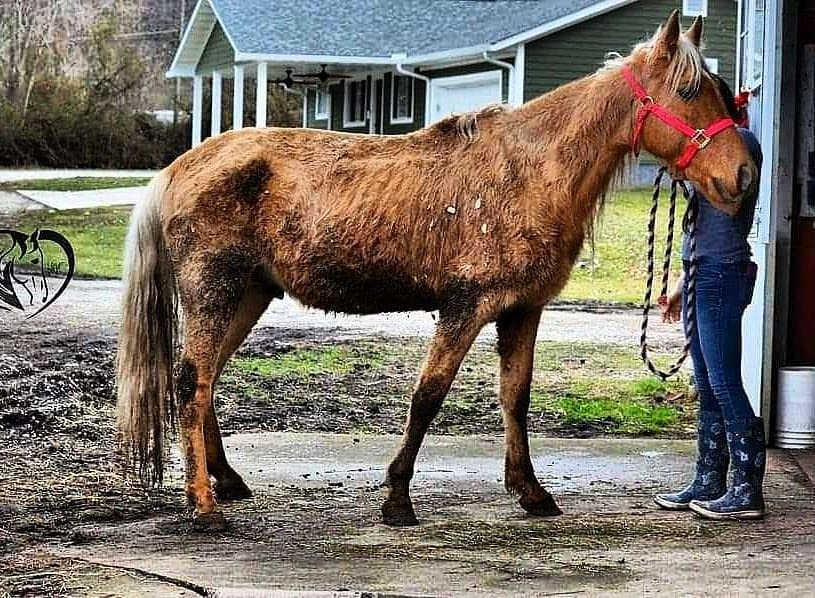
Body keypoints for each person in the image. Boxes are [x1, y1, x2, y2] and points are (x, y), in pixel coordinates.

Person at [654, 74, 765, 520]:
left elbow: (730, 202)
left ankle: (746, 489)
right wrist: (683, 283)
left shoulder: (740, 145)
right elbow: (704, 230)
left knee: (724, 381)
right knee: (706, 382)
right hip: (703, 272)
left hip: (723, 274)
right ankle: (708, 478)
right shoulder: (710, 149)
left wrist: (689, 162)